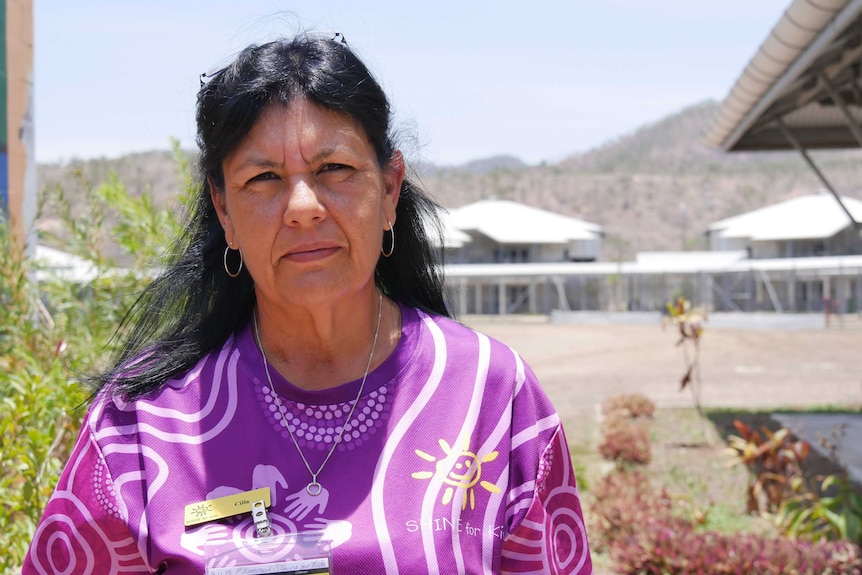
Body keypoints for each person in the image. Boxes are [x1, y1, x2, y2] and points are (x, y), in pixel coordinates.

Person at [23, 33, 592, 574]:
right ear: (224, 212)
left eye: (334, 169)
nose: (302, 206)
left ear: (390, 189)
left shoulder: (491, 399)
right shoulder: (143, 424)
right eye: (264, 178)